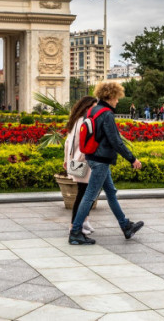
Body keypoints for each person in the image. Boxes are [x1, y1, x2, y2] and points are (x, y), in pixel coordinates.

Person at [69, 82, 144, 245]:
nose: (117, 101)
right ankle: (75, 232)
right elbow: (116, 141)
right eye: (116, 98)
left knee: (110, 193)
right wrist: (132, 159)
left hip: (92, 156)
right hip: (101, 160)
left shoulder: (92, 110)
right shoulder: (107, 114)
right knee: (89, 196)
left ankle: (125, 226)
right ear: (110, 96)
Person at [64, 96, 98, 235]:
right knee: (83, 194)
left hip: (76, 160)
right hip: (83, 161)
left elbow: (68, 143)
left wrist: (66, 159)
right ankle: (74, 224)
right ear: (86, 107)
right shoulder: (84, 122)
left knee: (85, 193)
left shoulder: (75, 121)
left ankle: (84, 220)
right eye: (94, 107)